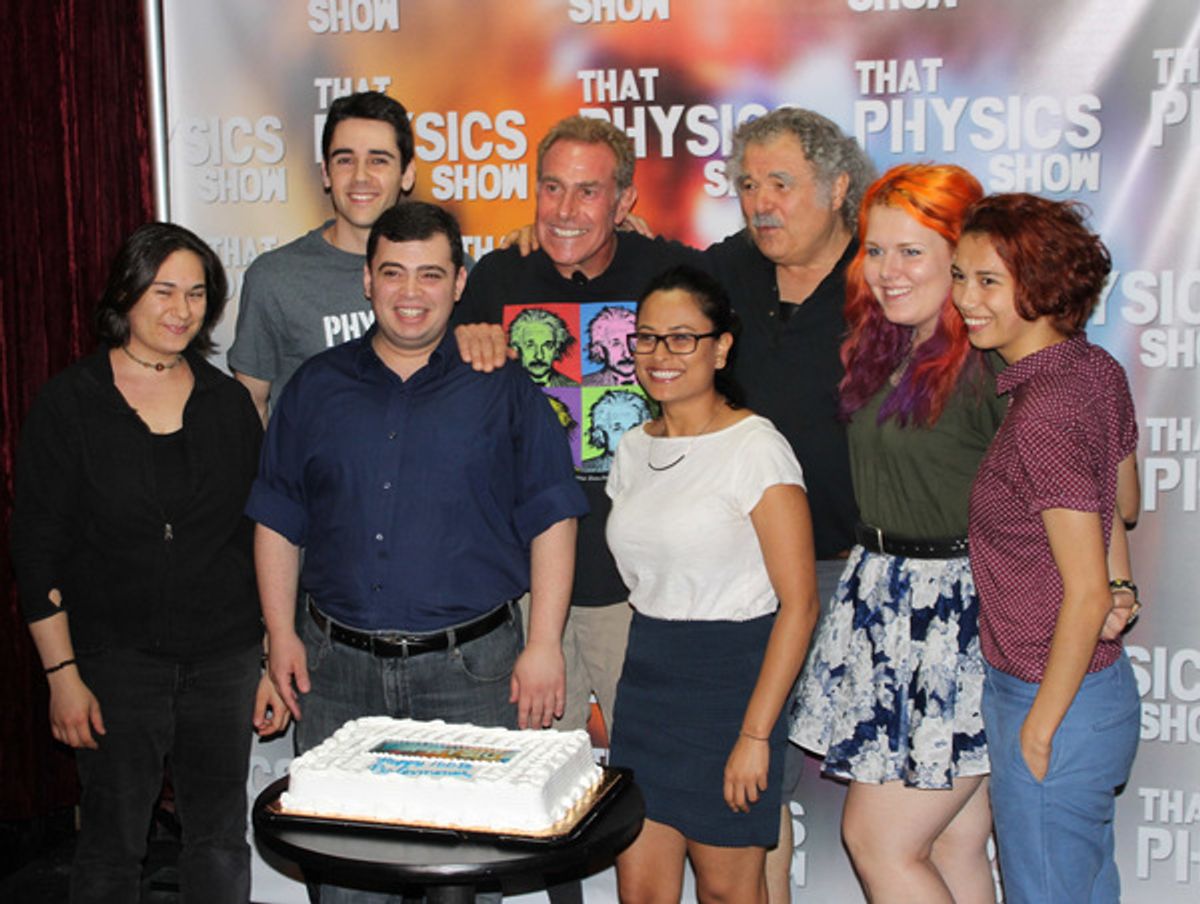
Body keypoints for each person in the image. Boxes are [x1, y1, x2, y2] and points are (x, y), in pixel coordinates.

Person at [250, 201, 586, 903]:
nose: (411, 292)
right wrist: (279, 633)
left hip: (473, 676)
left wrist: (545, 643)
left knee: (467, 882)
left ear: (459, 282)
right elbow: (279, 518)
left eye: (430, 274)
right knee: (347, 885)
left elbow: (553, 515)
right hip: (335, 677)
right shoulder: (313, 388)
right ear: (366, 280)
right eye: (393, 272)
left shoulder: (503, 385)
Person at [10, 222, 287, 903]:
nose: (181, 309)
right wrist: (62, 675)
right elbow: (37, 546)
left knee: (219, 841)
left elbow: (255, 539)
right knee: (111, 847)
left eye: (196, 293)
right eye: (163, 290)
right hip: (114, 663)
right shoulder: (71, 402)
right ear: (126, 293)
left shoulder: (228, 403)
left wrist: (265, 659)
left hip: (223, 661)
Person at [788, 164, 1002, 903]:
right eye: (875, 251)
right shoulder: (888, 345)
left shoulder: (991, 360)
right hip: (888, 601)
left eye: (912, 251)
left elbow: (1077, 484)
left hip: (957, 620)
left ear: (962, 255)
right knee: (952, 842)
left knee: (879, 842)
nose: (888, 271)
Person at [454, 114, 706, 739]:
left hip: (640, 587)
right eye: (552, 188)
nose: (565, 210)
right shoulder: (496, 277)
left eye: (588, 191)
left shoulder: (670, 274)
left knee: (655, 765)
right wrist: (465, 338)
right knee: (539, 773)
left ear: (624, 202)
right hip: (525, 589)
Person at [605, 265, 819, 903]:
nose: (660, 355)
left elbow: (800, 606)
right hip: (646, 685)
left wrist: (755, 736)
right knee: (641, 892)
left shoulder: (756, 447)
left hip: (731, 685)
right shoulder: (631, 448)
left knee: (728, 893)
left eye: (682, 338)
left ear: (720, 347)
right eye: (647, 338)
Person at [952, 194, 1141, 904]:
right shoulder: (1092, 369)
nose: (965, 300)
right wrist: (1124, 585)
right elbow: (1122, 503)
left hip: (1051, 695)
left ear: (1042, 286)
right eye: (960, 277)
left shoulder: (1045, 413)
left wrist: (1038, 731)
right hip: (1095, 692)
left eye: (988, 281)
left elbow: (1085, 593)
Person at [229, 90, 416, 421]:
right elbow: (249, 411)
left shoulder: (447, 272)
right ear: (326, 173)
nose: (360, 176)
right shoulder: (275, 278)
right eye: (345, 160)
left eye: (378, 160)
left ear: (407, 173)